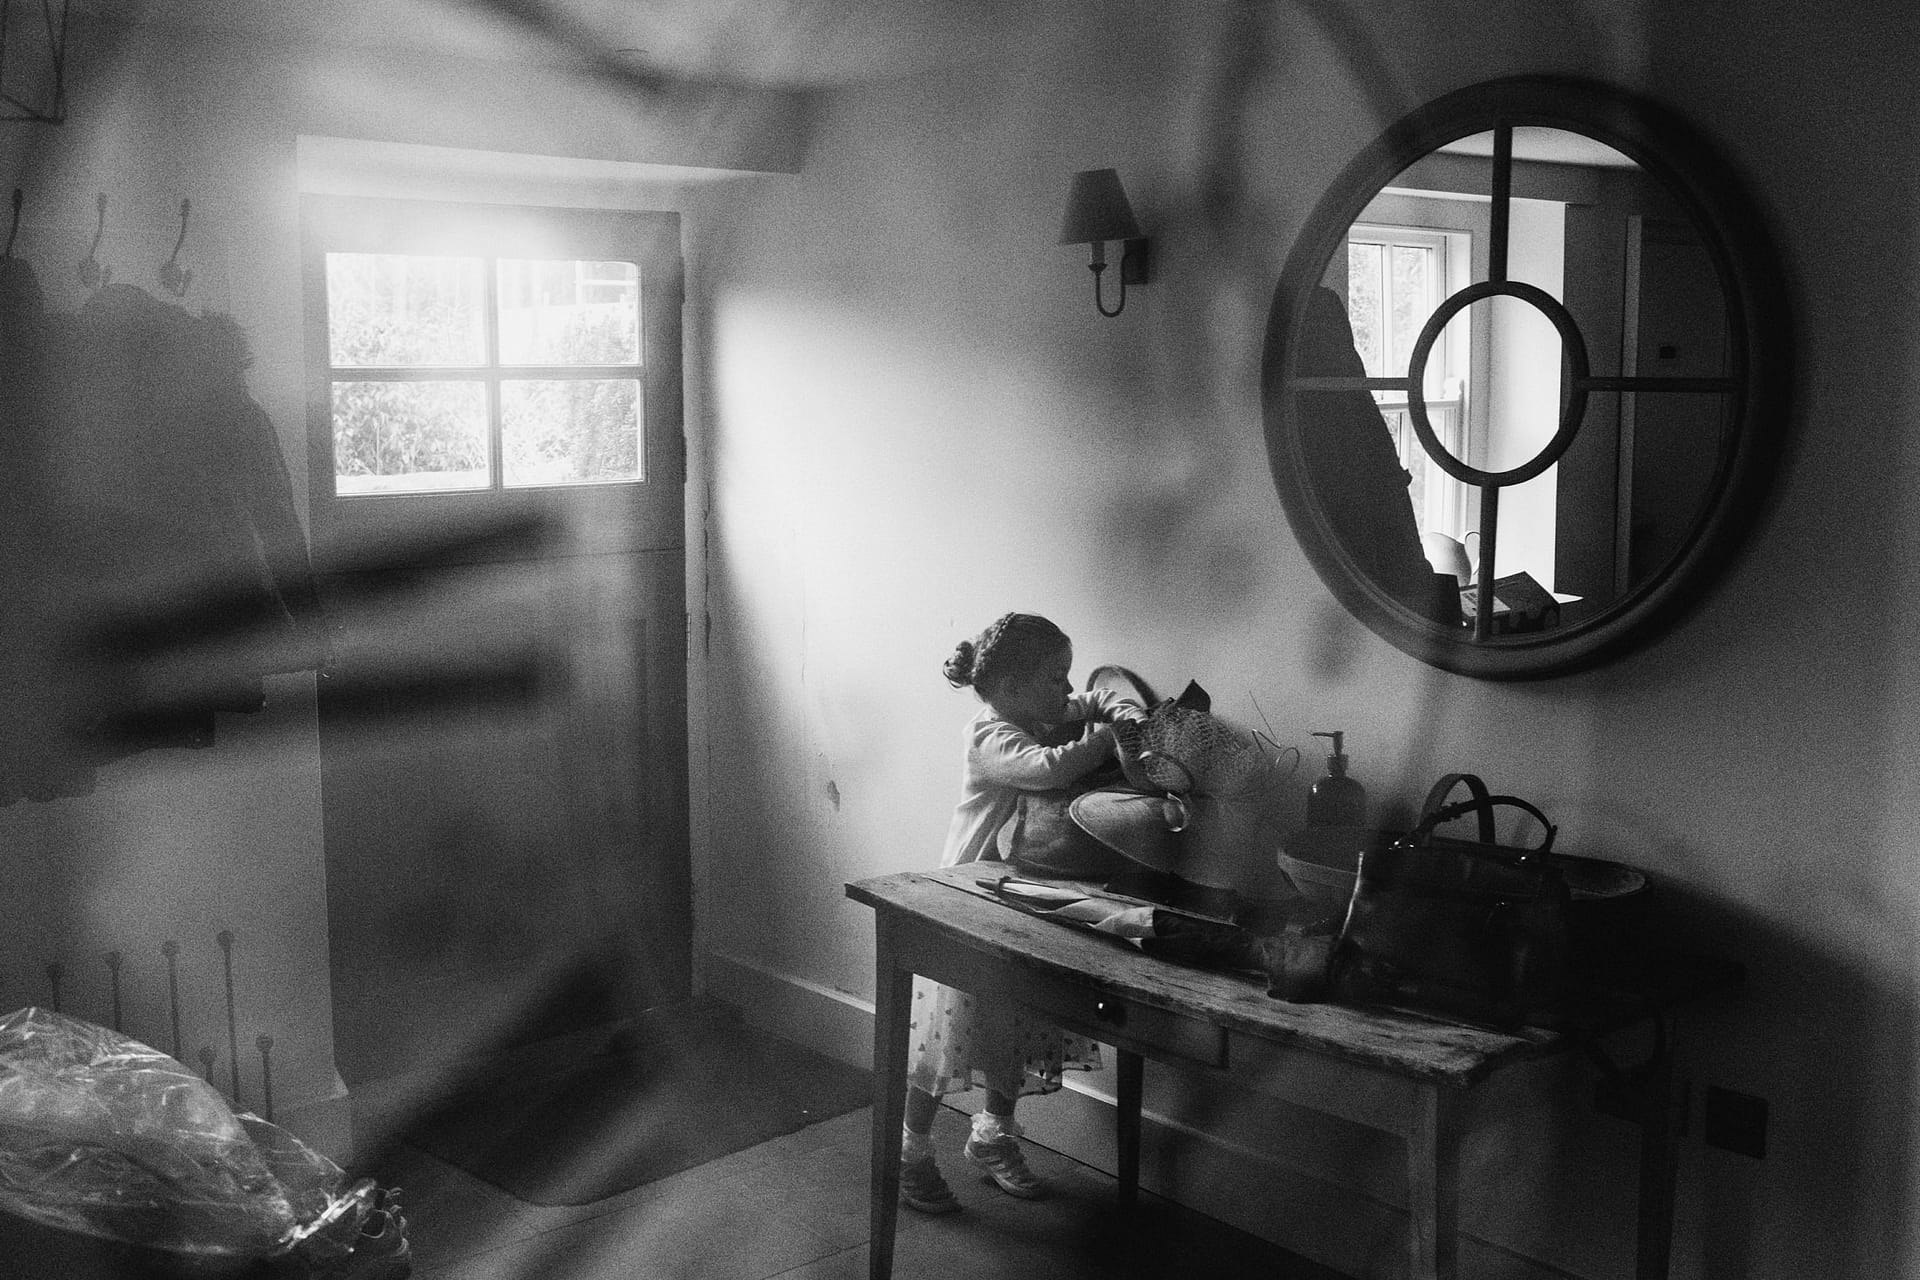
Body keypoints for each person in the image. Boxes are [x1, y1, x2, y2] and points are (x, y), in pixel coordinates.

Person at [899, 612, 1144, 1214]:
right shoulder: (990, 734)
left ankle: (992, 1136)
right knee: (943, 1039)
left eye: (1066, 678)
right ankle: (911, 1152)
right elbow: (1046, 768)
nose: (1066, 691)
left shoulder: (1032, 710)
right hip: (965, 892)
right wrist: (1104, 738)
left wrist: (1117, 709)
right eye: (1054, 678)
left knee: (1011, 1018)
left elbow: (1083, 701)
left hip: (1015, 890)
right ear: (1009, 688)